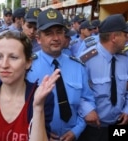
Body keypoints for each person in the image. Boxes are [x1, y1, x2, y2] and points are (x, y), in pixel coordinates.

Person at [26, 8, 95, 141]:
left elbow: (87, 100)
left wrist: (76, 130)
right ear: (38, 39)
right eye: (49, 34)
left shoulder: (78, 66)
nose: (56, 38)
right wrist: (41, 129)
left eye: (59, 32)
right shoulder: (28, 67)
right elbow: (20, 105)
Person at [78, 14, 128, 141]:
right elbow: (76, 91)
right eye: (124, 34)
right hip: (94, 128)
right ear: (114, 37)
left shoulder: (125, 59)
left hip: (119, 125)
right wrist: (87, 110)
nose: (127, 38)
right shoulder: (86, 59)